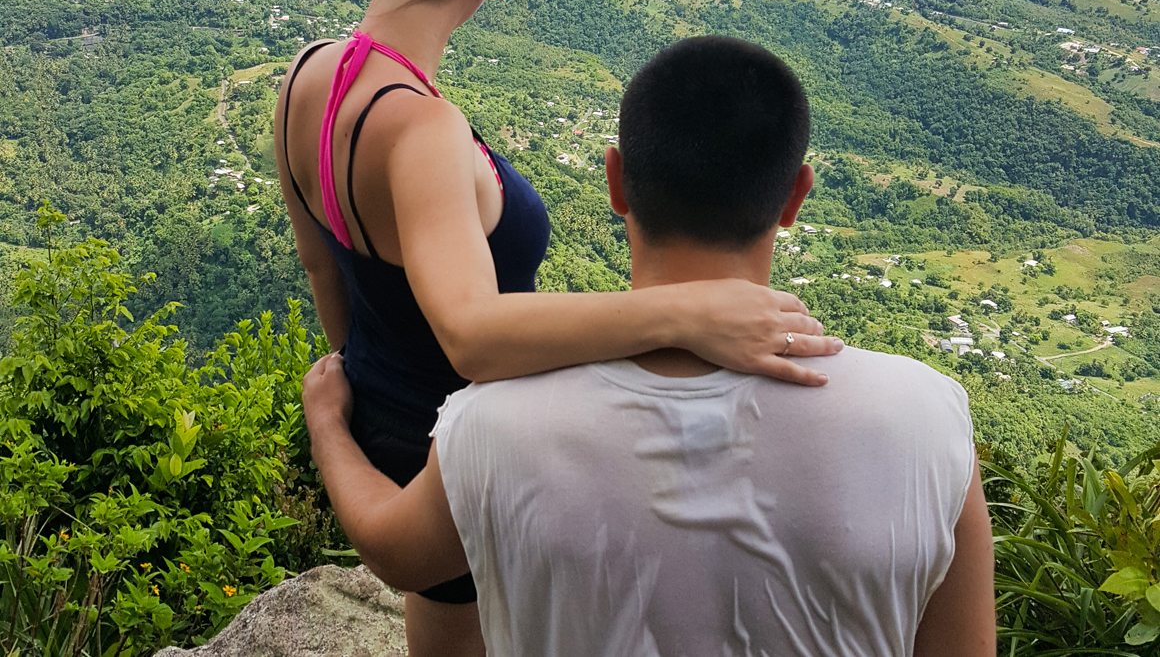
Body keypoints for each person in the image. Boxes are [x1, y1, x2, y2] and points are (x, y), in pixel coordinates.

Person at [275, 0, 843, 656]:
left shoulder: (307, 76)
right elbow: (471, 333)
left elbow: (325, 266)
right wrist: (689, 311)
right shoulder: (422, 128)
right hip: (463, 451)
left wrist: (355, 397)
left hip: (390, 419)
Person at [303, 35, 995, 657]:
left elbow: (395, 550)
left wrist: (329, 422)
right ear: (795, 197)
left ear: (614, 181)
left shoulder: (495, 426)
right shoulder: (928, 420)